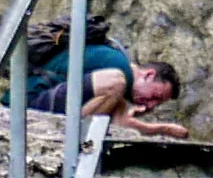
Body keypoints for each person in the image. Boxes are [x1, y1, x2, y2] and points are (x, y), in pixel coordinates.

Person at [18, 33, 189, 141]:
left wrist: (164, 129)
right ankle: (78, 135)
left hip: (43, 99)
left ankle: (78, 132)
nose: (151, 105)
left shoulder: (117, 90)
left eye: (156, 104)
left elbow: (120, 125)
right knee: (116, 82)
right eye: (155, 97)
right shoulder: (119, 70)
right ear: (148, 75)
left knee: (116, 93)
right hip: (31, 97)